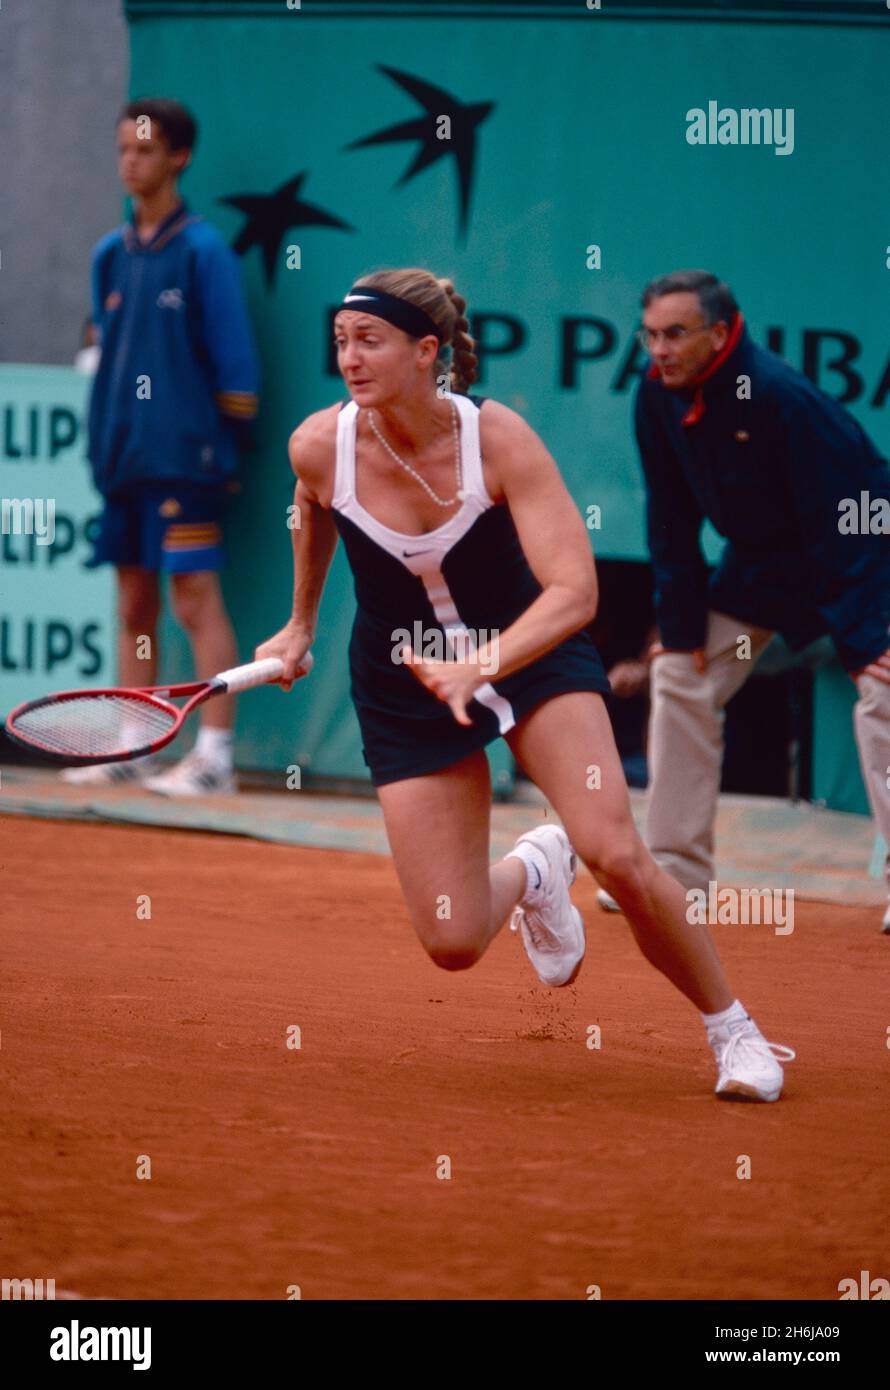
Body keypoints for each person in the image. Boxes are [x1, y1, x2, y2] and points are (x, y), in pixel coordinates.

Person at [255, 267, 795, 1102]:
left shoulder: (496, 438)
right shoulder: (319, 444)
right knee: (454, 938)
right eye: (341, 344)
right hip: (404, 679)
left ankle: (736, 1033)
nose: (350, 361)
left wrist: (484, 661)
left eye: (370, 342)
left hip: (532, 655)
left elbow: (575, 593)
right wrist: (298, 623)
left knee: (616, 850)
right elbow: (311, 504)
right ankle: (537, 873)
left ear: (426, 351)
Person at [627, 268, 890, 931]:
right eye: (651, 334)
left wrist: (871, 638)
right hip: (764, 574)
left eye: (676, 334)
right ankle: (675, 875)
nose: (660, 349)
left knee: (885, 694)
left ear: (720, 333)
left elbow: (852, 518)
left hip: (861, 555)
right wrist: (681, 627)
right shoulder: (656, 395)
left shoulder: (778, 396)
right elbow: (670, 519)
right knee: (679, 677)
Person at [64, 97, 260, 796]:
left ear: (178, 157)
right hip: (122, 463)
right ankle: (133, 745)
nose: (130, 162)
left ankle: (214, 755)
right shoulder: (109, 256)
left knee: (193, 599)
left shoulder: (205, 251)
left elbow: (238, 378)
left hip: (186, 461)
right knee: (133, 604)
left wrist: (209, 445)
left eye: (144, 150)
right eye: (122, 150)